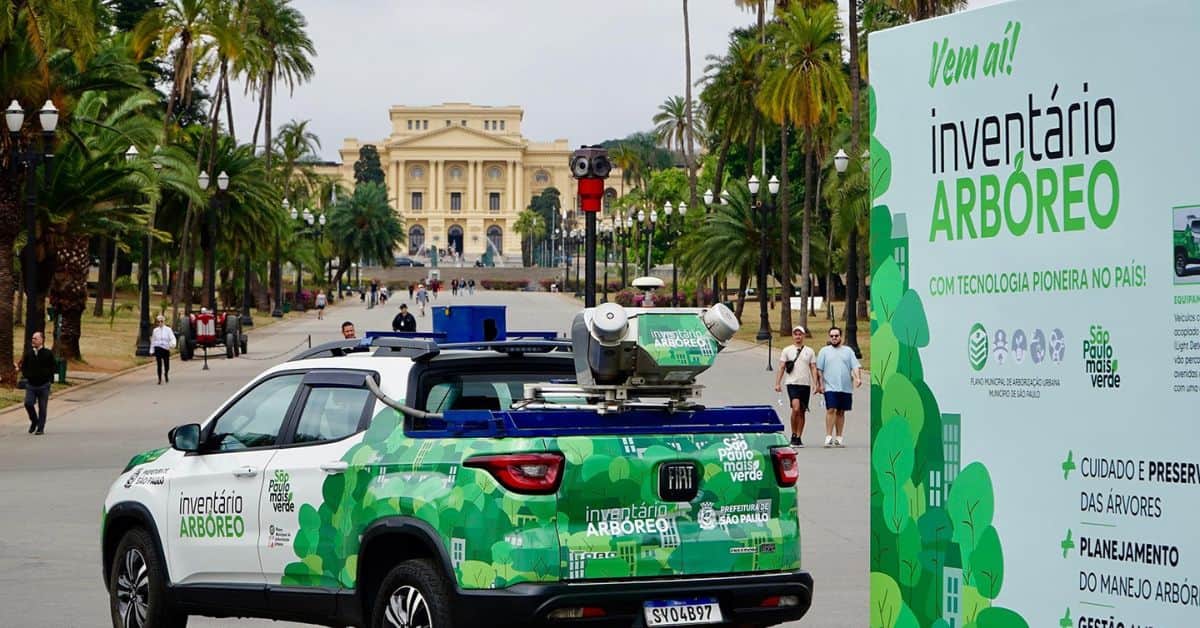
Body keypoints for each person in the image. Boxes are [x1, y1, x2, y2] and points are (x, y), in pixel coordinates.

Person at [815, 326, 862, 448]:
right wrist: (820, 384)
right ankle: (828, 436)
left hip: (845, 387)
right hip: (830, 386)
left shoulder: (848, 351)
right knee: (831, 409)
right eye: (832, 336)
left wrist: (858, 378)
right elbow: (819, 369)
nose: (834, 338)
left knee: (841, 411)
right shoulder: (824, 351)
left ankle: (839, 437)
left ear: (840, 337)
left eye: (836, 336)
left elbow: (855, 366)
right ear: (829, 337)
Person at [774, 325, 818, 447]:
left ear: (803, 336)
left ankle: (799, 436)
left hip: (805, 384)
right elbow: (781, 367)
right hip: (792, 383)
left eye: (800, 334)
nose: (798, 336)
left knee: (802, 411)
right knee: (796, 408)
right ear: (793, 336)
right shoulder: (787, 350)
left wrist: (815, 384)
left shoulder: (810, 351)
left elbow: (813, 367)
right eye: (796, 334)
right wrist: (777, 383)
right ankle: (793, 433)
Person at [18, 332, 55, 435]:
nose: (33, 340)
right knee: (28, 403)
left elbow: (53, 367)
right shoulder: (29, 354)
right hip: (31, 385)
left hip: (44, 385)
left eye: (35, 338)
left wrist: (50, 380)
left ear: (41, 340)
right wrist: (27, 375)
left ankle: (40, 428)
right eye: (32, 338)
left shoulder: (48, 353)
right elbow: (24, 367)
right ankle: (34, 421)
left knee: (42, 408)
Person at [151, 315, 177, 385]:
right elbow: (153, 340)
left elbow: (172, 338)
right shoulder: (155, 330)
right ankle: (159, 379)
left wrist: (173, 344)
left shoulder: (168, 330)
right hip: (158, 348)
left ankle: (166, 373)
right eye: (158, 322)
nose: (160, 323)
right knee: (159, 364)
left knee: (166, 364)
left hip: (165, 348)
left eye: (161, 321)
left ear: (164, 321)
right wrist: (152, 350)